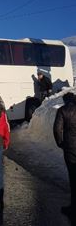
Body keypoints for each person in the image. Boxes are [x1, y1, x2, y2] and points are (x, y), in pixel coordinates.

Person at [53, 92, 76, 221]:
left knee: (73, 177)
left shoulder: (63, 110)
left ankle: (73, 208)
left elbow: (57, 129)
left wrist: (60, 143)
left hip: (71, 148)